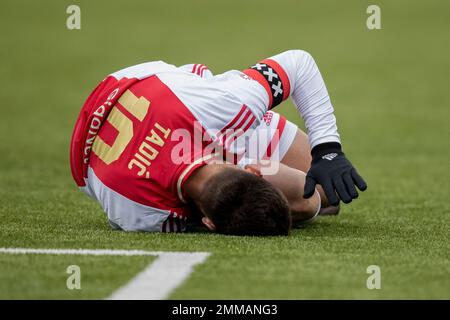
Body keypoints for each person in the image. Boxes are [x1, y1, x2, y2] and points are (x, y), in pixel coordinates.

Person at [70, 50, 367, 235]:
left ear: (250, 168)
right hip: (112, 135)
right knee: (309, 198)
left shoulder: (225, 107)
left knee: (328, 191)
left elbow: (298, 64)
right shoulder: (143, 215)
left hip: (167, 95)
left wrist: (327, 150)